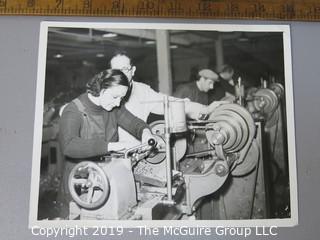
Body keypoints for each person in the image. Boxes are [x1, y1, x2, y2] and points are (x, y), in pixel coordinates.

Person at [57, 69, 154, 218]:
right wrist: (111, 146)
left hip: (106, 180)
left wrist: (146, 133)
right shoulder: (73, 110)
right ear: (101, 90)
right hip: (79, 186)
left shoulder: (113, 107)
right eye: (115, 97)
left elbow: (134, 123)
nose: (118, 103)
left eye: (122, 98)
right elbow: (69, 145)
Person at [109, 52, 225, 145]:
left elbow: (172, 103)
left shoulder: (142, 91)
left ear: (133, 70)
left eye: (124, 69)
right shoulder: (105, 93)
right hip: (112, 151)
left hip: (138, 149)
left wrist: (205, 109)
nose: (120, 75)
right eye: (116, 71)